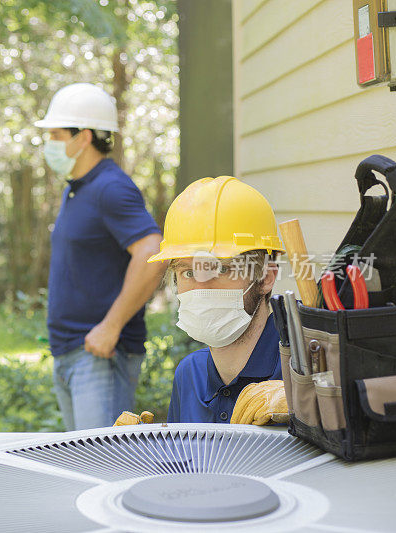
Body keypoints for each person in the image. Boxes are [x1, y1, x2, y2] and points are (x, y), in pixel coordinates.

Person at [33, 83, 167, 431]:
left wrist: (111, 327)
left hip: (100, 357)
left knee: (105, 467)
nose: (50, 143)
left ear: (84, 137)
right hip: (71, 354)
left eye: (56, 134)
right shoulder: (77, 190)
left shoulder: (111, 187)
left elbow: (153, 251)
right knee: (86, 464)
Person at [145, 176, 287, 424]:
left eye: (221, 269)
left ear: (265, 278)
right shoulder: (190, 374)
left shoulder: (304, 370)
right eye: (188, 272)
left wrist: (307, 407)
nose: (201, 287)